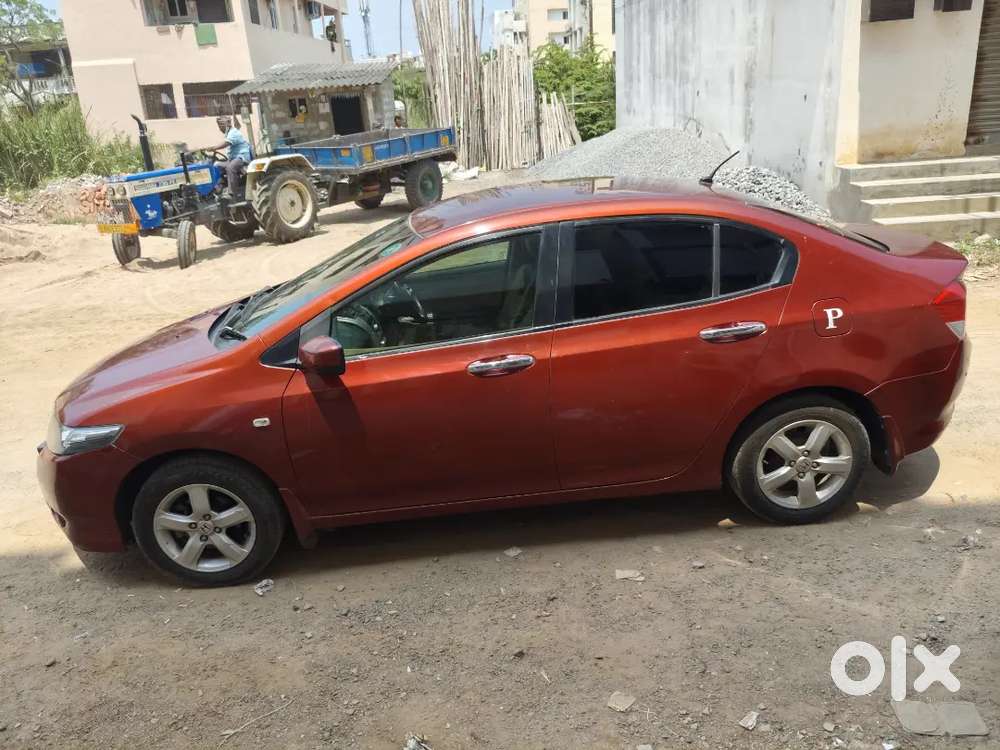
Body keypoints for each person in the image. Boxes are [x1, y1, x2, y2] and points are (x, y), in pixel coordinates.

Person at [205, 116, 252, 199]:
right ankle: (219, 187)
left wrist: (214, 148)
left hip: (241, 157)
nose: (220, 129)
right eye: (219, 126)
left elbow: (226, 143)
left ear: (227, 125)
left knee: (230, 167)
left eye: (221, 126)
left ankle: (232, 193)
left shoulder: (234, 132)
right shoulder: (228, 134)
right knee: (216, 165)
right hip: (233, 158)